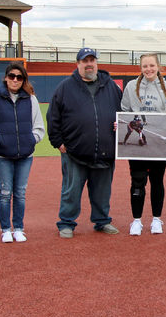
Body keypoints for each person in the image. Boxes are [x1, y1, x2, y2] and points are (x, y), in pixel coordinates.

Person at [47, 47, 122, 238]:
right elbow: (53, 117)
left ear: (97, 63)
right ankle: (66, 223)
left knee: (102, 191)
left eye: (92, 60)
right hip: (74, 151)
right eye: (84, 61)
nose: (89, 64)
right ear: (78, 64)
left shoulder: (111, 86)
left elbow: (124, 113)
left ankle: (102, 221)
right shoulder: (65, 87)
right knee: (71, 191)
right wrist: (58, 143)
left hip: (105, 150)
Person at [0, 62, 45, 243]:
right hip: (2, 156)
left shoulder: (31, 99)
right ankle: (5, 229)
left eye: (19, 77)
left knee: (20, 193)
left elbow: (39, 127)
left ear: (23, 80)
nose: (15, 80)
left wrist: (30, 140)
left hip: (25, 156)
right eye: (12, 76)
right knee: (5, 192)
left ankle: (18, 228)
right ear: (6, 78)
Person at [121, 53, 166, 235]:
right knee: (137, 181)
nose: (148, 69)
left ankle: (156, 219)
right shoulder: (131, 86)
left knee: (157, 180)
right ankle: (136, 220)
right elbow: (124, 111)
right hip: (138, 145)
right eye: (145, 66)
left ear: (158, 66)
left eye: (152, 65)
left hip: (160, 147)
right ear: (140, 68)